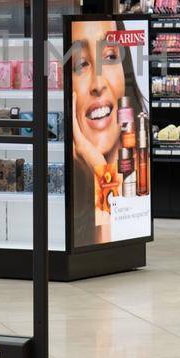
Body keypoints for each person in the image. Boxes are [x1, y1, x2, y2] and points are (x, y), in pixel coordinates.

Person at [68, 19, 146, 243]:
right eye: (80, 64)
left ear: (126, 71)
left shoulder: (142, 159)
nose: (98, 83)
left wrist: (98, 167)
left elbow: (114, 245)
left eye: (110, 56)